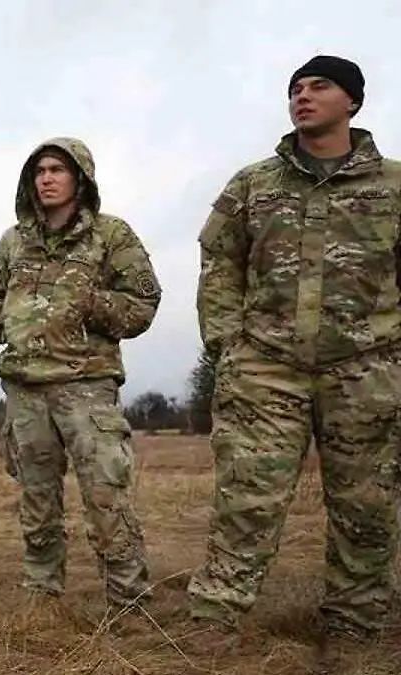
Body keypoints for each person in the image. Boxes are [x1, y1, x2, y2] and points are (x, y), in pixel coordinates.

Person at [184, 54, 401, 672]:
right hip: (266, 368)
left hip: (367, 371)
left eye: (319, 86)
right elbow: (219, 262)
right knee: (246, 498)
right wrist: (227, 344)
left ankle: (354, 625)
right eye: (295, 89)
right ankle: (216, 616)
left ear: (352, 101)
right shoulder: (253, 184)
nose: (302, 96)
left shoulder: (394, 185)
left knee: (366, 505)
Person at [0, 138, 160, 617]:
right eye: (39, 171)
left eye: (57, 169)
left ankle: (128, 599)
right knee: (37, 497)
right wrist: (6, 321)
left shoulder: (110, 235)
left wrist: (88, 304)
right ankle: (42, 593)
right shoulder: (13, 241)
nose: (47, 178)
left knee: (105, 493)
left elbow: (143, 304)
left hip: (87, 386)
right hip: (25, 387)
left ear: (80, 178)